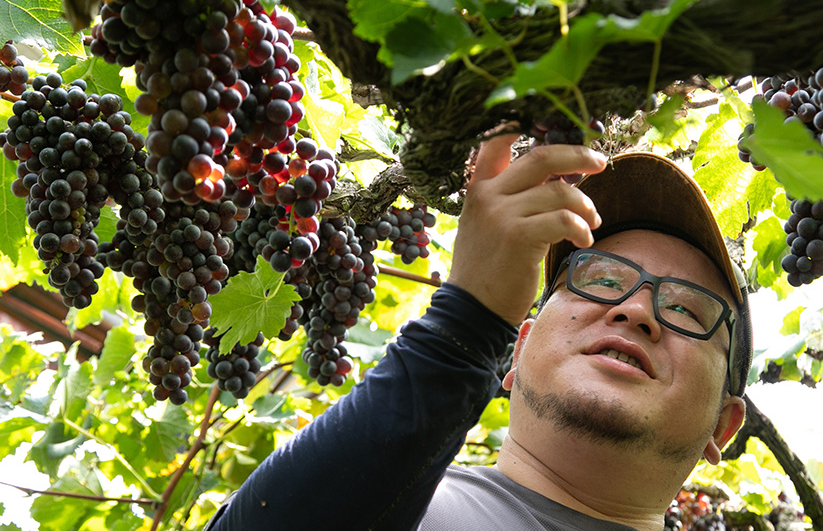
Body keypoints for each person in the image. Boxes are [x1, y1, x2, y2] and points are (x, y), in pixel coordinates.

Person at [205, 134, 753, 531]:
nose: (637, 311)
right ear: (515, 350)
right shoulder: (392, 509)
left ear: (723, 427)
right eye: (602, 278)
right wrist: (467, 318)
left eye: (687, 310)